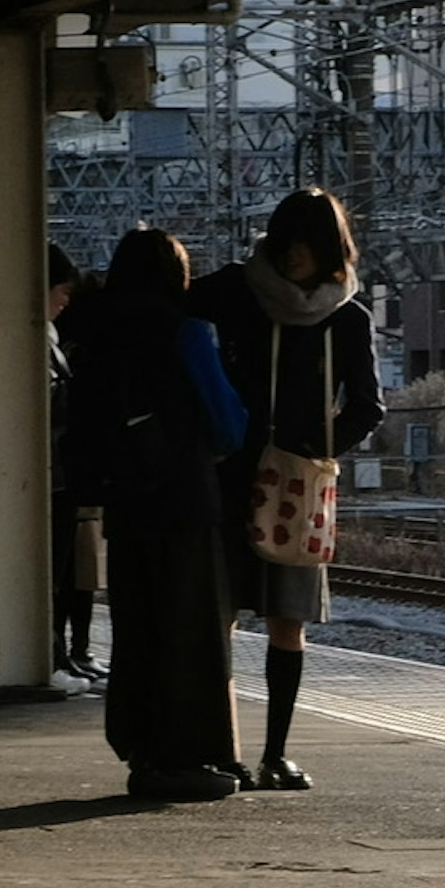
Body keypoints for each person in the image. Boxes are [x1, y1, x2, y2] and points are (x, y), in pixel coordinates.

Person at [189, 187, 383, 790]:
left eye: (310, 243)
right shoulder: (233, 291)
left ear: (330, 250)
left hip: (293, 483)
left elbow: (368, 406)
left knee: (286, 620)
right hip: (228, 472)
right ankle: (220, 748)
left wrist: (317, 450)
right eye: (287, 241)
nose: (295, 254)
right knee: (217, 617)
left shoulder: (348, 316)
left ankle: (273, 752)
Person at [65, 229, 252, 802]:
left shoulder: (95, 334)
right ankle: (186, 755)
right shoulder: (185, 331)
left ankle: (142, 748)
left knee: (137, 627)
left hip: (124, 502)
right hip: (184, 500)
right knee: (189, 630)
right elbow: (229, 423)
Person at [47, 242, 99, 682]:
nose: (65, 300)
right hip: (54, 472)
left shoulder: (50, 338)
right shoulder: (37, 338)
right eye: (60, 291)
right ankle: (52, 651)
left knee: (68, 568)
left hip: (60, 471)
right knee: (58, 568)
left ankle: (63, 649)